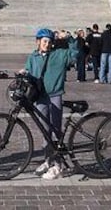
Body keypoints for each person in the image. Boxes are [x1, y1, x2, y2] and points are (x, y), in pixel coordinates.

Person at [25, 28, 78, 179]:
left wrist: (70, 39)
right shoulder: (33, 56)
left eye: (49, 42)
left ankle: (58, 164)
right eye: (44, 41)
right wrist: (23, 73)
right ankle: (48, 160)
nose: (47, 44)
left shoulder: (60, 54)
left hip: (55, 95)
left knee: (56, 130)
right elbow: (29, 71)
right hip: (40, 97)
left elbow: (75, 55)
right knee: (44, 130)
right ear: (38, 42)